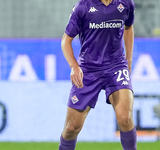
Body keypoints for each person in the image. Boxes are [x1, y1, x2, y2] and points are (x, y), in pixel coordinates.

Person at [59, 0, 137, 149]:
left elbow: (128, 28)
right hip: (88, 71)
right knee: (71, 128)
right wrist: (74, 66)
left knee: (125, 118)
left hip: (116, 66)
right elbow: (65, 41)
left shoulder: (126, 4)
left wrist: (129, 59)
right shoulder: (82, 7)